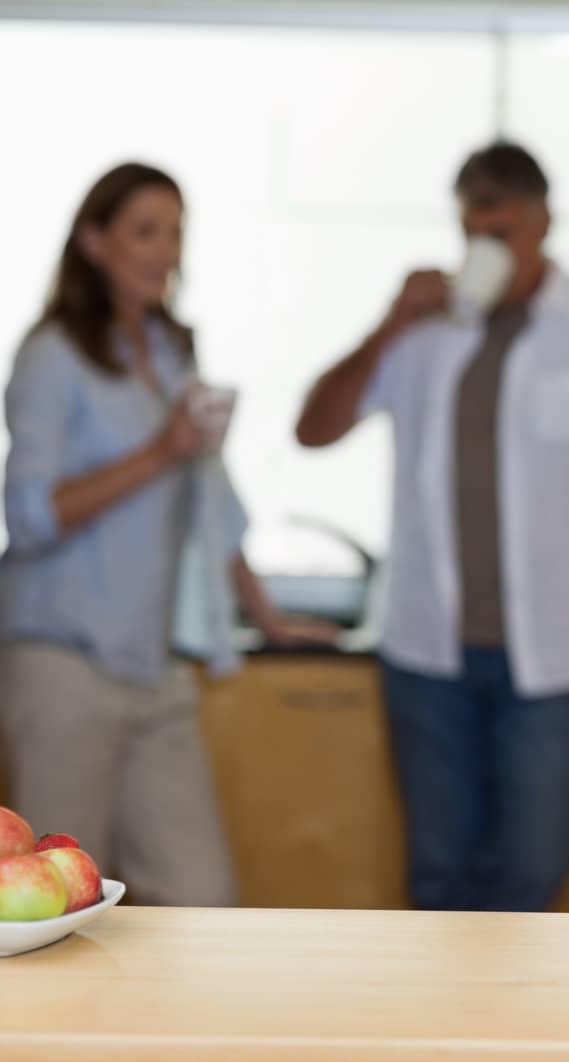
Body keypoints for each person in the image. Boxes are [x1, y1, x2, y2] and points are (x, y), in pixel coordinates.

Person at [294, 141, 569, 912]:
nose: (487, 248)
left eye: (503, 232)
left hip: (557, 659)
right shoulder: (422, 331)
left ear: (544, 221)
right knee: (437, 877)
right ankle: (443, 1035)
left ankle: (515, 1031)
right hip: (425, 653)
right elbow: (314, 429)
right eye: (474, 231)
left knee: (532, 874)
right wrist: (388, 324)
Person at [0, 162, 336, 906]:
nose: (166, 250)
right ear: (93, 242)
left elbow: (209, 500)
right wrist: (161, 450)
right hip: (64, 668)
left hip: (154, 670)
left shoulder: (171, 352)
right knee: (58, 906)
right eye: (145, 231)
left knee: (201, 899)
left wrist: (266, 616)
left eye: (176, 231)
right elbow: (27, 515)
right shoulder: (51, 354)